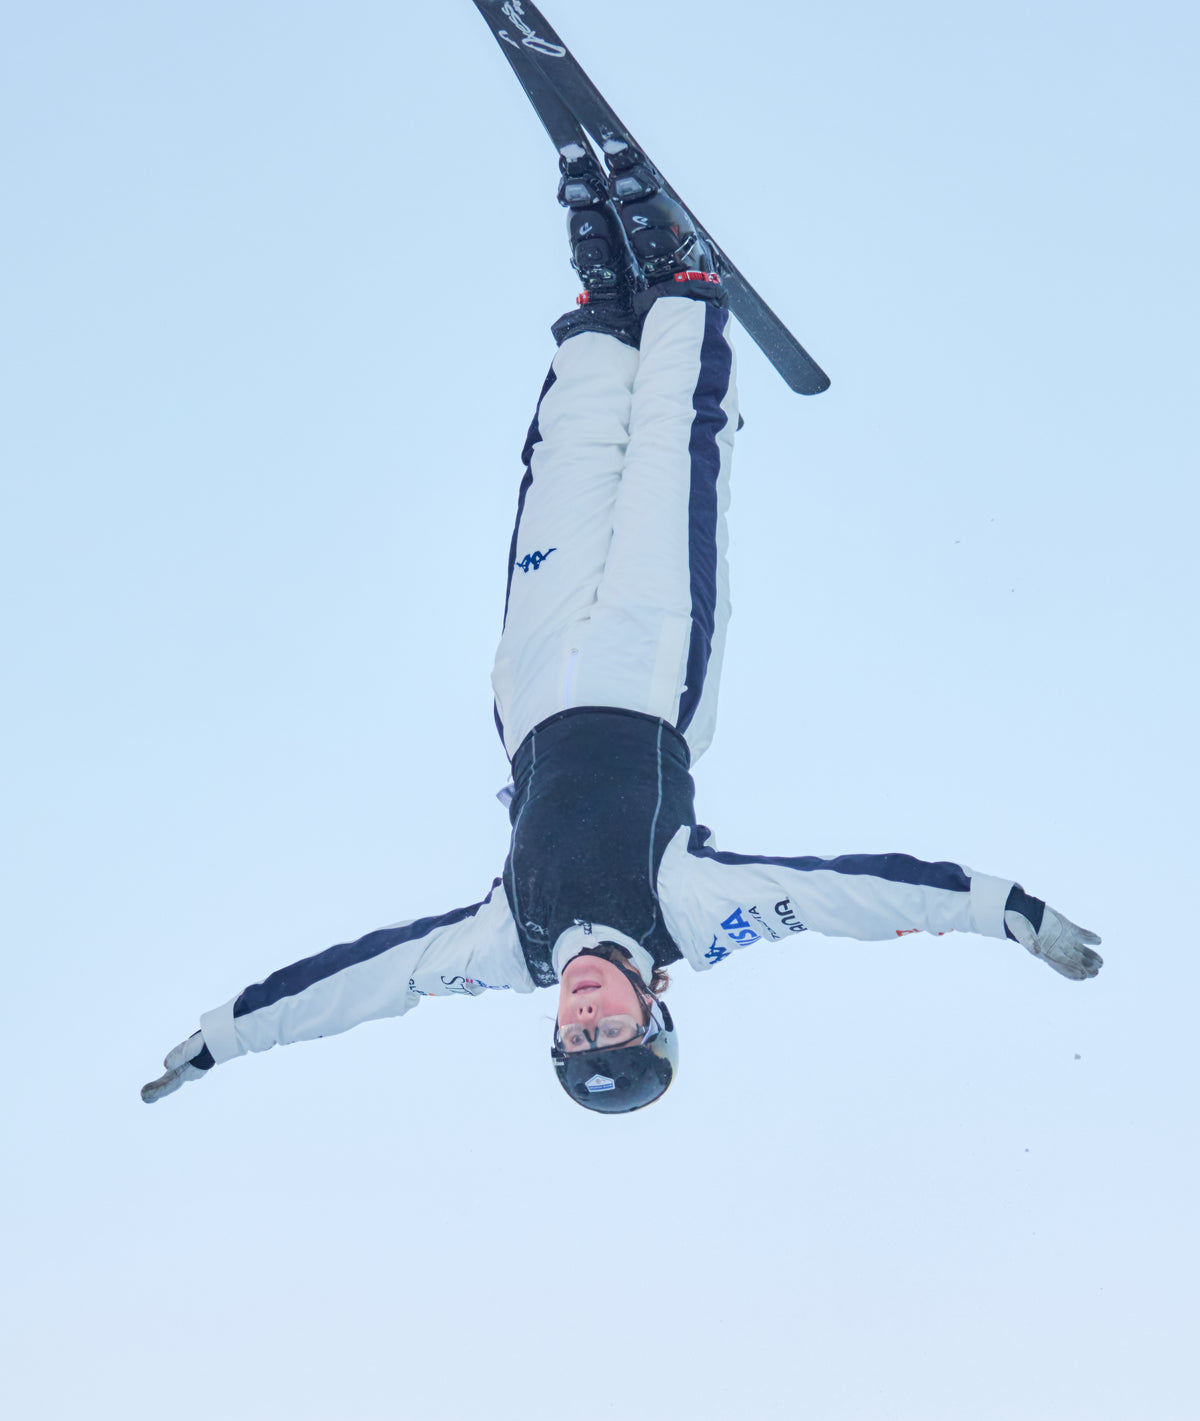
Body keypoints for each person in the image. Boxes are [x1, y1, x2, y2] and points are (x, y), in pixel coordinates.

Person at [142, 144, 1102, 1114]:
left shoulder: (505, 946)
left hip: (532, 687)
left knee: (563, 471)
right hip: (649, 672)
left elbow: (360, 983)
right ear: (654, 1008)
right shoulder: (692, 914)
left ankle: (602, 312)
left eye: (573, 1037)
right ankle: (682, 288)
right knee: (667, 469)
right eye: (612, 1028)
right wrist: (1002, 912)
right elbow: (844, 896)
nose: (585, 1015)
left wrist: (227, 1038)